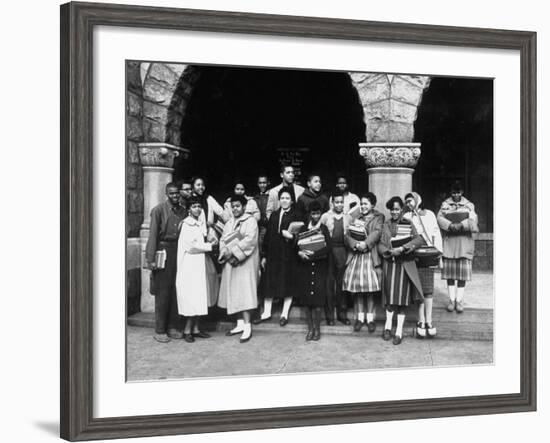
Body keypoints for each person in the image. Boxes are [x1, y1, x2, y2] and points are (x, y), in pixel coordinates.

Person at [144, 182, 188, 343]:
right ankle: (160, 329)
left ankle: (173, 326)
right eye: (172, 193)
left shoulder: (184, 211)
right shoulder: (158, 210)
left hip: (179, 251)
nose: (175, 196)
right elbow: (153, 235)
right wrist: (151, 259)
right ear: (166, 194)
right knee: (163, 291)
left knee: (177, 290)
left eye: (177, 193)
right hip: (163, 250)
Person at [378, 196, 425, 345]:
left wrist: (403, 248)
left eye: (397, 209)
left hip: (404, 265)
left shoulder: (408, 223)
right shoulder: (385, 224)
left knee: (402, 300)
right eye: (392, 209)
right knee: (390, 298)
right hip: (390, 264)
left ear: (401, 210)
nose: (394, 212)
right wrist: (388, 251)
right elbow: (380, 244)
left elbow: (419, 240)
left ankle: (398, 331)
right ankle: (387, 327)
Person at [175, 196, 219, 343]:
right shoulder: (187, 224)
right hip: (189, 265)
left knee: (199, 296)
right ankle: (187, 329)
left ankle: (196, 328)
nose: (197, 209)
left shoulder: (199, 224)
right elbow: (191, 246)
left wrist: (210, 240)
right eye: (194, 206)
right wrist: (209, 246)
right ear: (188, 209)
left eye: (199, 206)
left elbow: (201, 240)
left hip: (199, 264)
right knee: (191, 297)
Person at [254, 187, 300, 326]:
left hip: (288, 255)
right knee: (269, 282)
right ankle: (266, 312)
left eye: (287, 198)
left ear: (292, 200)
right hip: (273, 255)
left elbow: (301, 235)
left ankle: (284, 314)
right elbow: (267, 237)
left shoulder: (296, 215)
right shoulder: (274, 215)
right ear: (279, 200)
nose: (284, 201)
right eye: (282, 198)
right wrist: (264, 256)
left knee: (287, 284)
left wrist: (292, 237)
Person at [217, 194, 260, 343]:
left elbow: (250, 240)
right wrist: (225, 251)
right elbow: (223, 239)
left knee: (245, 292)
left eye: (238, 206)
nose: (235, 209)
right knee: (234, 292)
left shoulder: (251, 221)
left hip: (245, 263)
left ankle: (247, 326)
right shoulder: (229, 222)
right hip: (230, 261)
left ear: (243, 207)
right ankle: (239, 323)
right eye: (233, 206)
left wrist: (234, 253)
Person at [403, 192, 443, 339]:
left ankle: (429, 321)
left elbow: (436, 232)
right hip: (415, 255)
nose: (409, 203)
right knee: (418, 289)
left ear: (418, 200)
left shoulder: (429, 214)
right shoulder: (406, 217)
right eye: (406, 201)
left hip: (429, 254)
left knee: (428, 289)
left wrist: (439, 253)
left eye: (411, 200)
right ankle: (421, 320)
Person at [343, 192, 385, 333]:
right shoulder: (356, 217)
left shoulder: (378, 217)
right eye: (361, 204)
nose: (363, 206)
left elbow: (377, 233)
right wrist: (355, 244)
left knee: (369, 290)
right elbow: (347, 235)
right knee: (359, 290)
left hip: (370, 256)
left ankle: (370, 319)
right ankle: (360, 318)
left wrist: (365, 244)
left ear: (372, 205)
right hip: (357, 256)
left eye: (366, 203)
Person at [437, 181, 479, 313]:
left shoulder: (469, 205)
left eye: (458, 192)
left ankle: (459, 300)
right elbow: (439, 218)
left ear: (462, 192)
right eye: (453, 192)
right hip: (450, 243)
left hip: (463, 243)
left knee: (462, 275)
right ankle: (451, 300)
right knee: (450, 275)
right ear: (451, 192)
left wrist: (462, 224)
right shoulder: (445, 205)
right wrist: (449, 225)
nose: (456, 195)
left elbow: (474, 220)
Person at [295, 201, 332, 341]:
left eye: (318, 213)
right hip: (305, 267)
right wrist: (300, 254)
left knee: (317, 301)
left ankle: (317, 330)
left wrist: (313, 254)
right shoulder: (304, 228)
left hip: (319, 268)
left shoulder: (324, 229)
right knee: (307, 301)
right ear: (309, 214)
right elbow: (297, 246)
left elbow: (328, 248)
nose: (315, 216)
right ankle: (310, 329)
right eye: (313, 213)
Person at [320, 190, 352, 325]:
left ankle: (342, 314)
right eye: (336, 202)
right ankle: (329, 316)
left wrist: (349, 255)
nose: (339, 205)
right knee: (329, 284)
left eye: (341, 202)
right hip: (329, 252)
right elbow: (318, 233)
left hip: (342, 252)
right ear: (332, 203)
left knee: (341, 283)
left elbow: (351, 237)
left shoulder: (348, 217)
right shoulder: (325, 216)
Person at [253, 174, 271, 251]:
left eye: (264, 183)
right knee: (261, 248)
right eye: (260, 183)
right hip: (261, 228)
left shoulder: (272, 195)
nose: (262, 185)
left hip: (272, 226)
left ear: (268, 183)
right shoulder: (255, 198)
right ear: (258, 184)